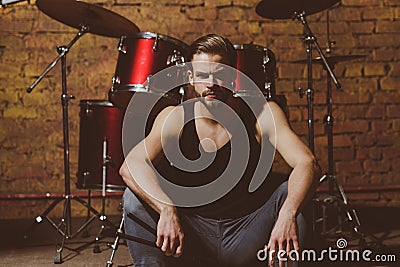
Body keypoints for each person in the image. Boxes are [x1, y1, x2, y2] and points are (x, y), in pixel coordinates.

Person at [120, 33, 321, 267]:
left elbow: (308, 163)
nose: (212, 84)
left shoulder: (262, 113)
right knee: (133, 197)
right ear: (190, 77)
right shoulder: (176, 117)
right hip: (191, 237)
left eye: (220, 74)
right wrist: (166, 209)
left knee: (293, 194)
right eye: (203, 75)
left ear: (234, 75)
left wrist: (287, 215)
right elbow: (131, 165)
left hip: (247, 233)